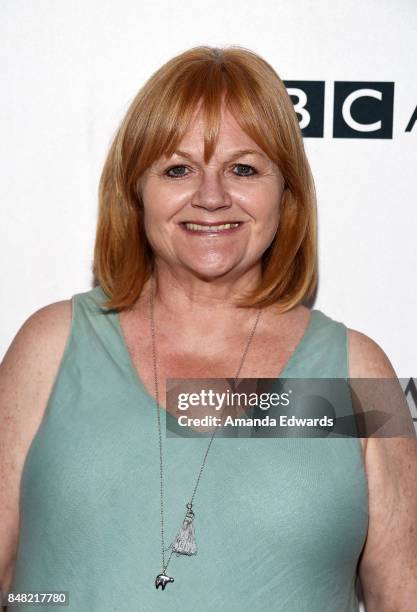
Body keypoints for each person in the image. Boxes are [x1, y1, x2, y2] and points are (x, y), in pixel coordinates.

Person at [1, 45, 416, 612]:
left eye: (243, 169)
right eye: (178, 169)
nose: (212, 196)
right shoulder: (50, 346)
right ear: (135, 192)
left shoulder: (355, 372)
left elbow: (402, 594)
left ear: (285, 192)